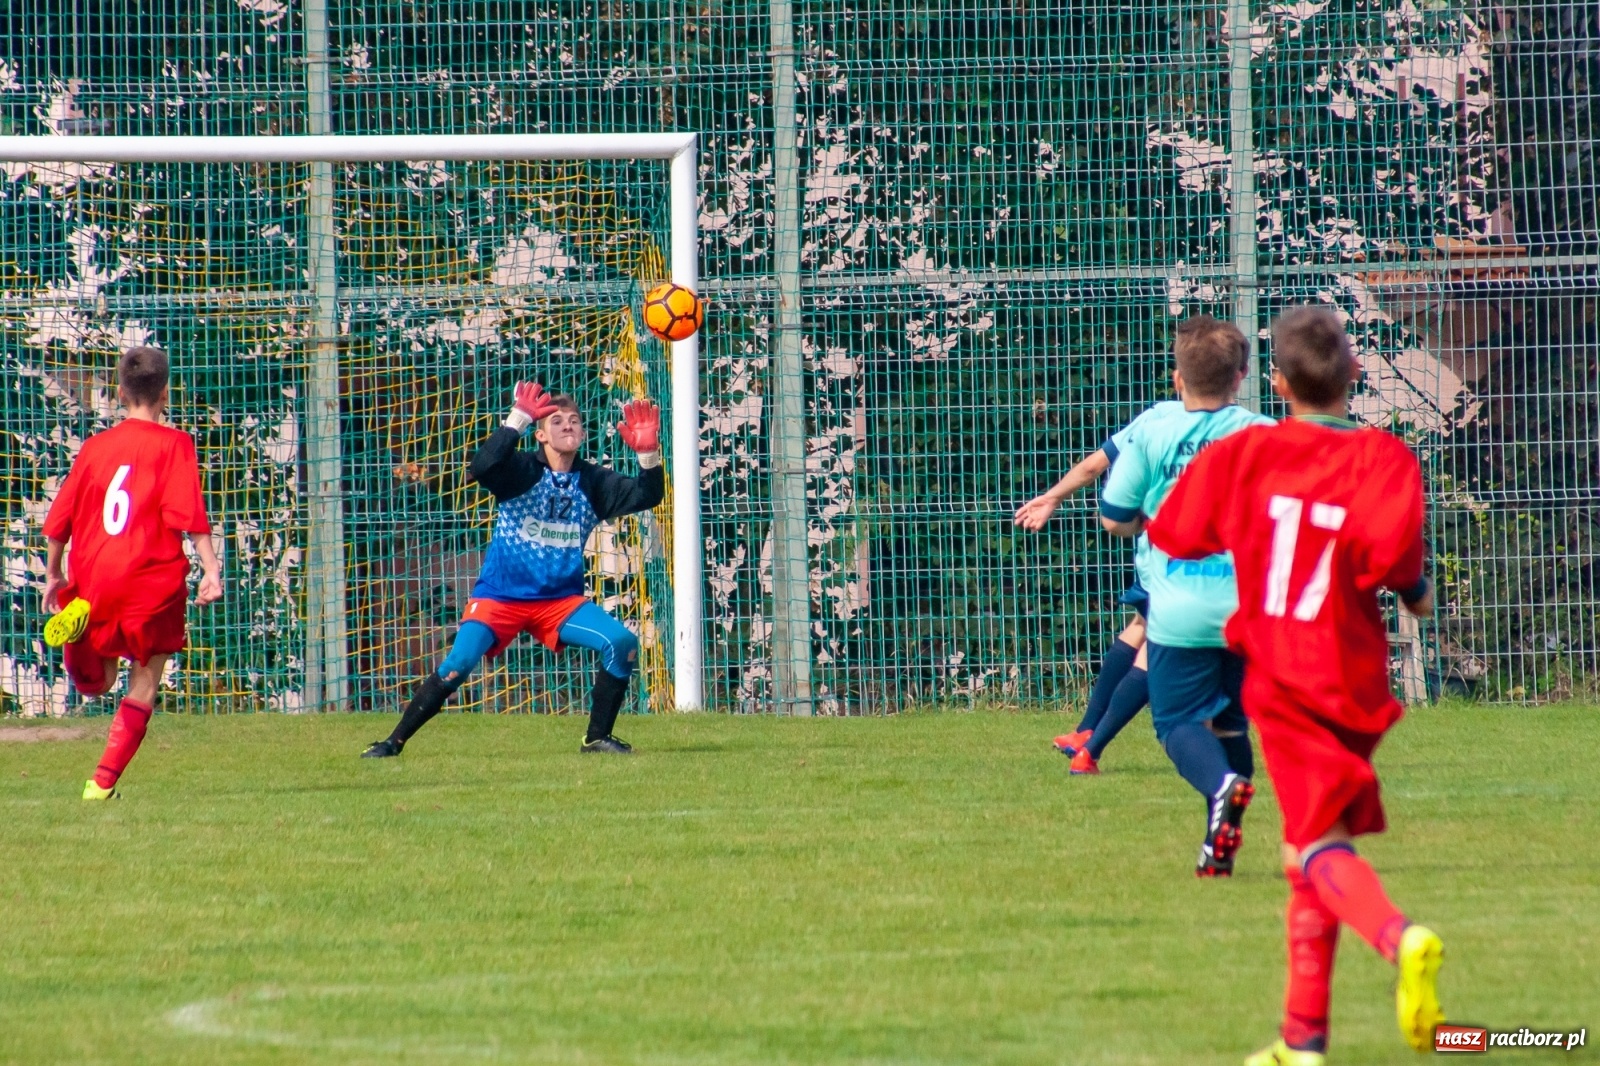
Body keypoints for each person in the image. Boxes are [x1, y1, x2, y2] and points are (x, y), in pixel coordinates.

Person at [1147, 306, 1444, 1063]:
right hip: (1355, 677)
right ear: (1353, 374)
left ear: (1275, 383)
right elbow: (1398, 563)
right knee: (1309, 843)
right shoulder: (1385, 458)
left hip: (1285, 676)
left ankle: (1399, 938)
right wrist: (1414, 595)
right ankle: (1301, 1040)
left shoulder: (1247, 454)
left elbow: (1175, 531)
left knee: (1315, 847)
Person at [362, 383, 664, 758]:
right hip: (500, 597)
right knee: (458, 664)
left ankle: (596, 738)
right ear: (540, 435)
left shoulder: (593, 482)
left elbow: (648, 495)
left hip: (559, 603)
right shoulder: (521, 470)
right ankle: (393, 742)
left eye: (574, 421)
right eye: (556, 421)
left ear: (583, 432)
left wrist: (648, 455)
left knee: (621, 643)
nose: (568, 426)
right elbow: (483, 465)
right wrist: (516, 419)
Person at [1098, 315, 1273, 875]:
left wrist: (1150, 513)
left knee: (1175, 724)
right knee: (1229, 725)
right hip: (1247, 607)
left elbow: (1114, 518)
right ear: (1242, 376)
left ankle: (1222, 787)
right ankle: (1217, 849)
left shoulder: (1153, 431)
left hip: (1179, 607)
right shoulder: (1264, 433)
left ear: (1178, 378)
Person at [41, 345, 223, 800]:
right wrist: (212, 569)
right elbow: (189, 515)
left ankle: (78, 633)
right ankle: (101, 784)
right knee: (144, 679)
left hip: (94, 570)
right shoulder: (175, 444)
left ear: (121, 392)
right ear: (165, 393)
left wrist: (53, 574)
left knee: (97, 685)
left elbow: (59, 519)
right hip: (149, 577)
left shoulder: (95, 447)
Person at [1014, 428, 1158, 775]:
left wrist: (1053, 496)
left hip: (1154, 552)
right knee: (1159, 646)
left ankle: (1084, 732)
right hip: (1200, 561)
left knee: (1141, 626)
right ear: (1240, 373)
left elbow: (1094, 466)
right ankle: (1091, 748)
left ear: (1179, 379)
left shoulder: (1155, 421)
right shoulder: (1246, 426)